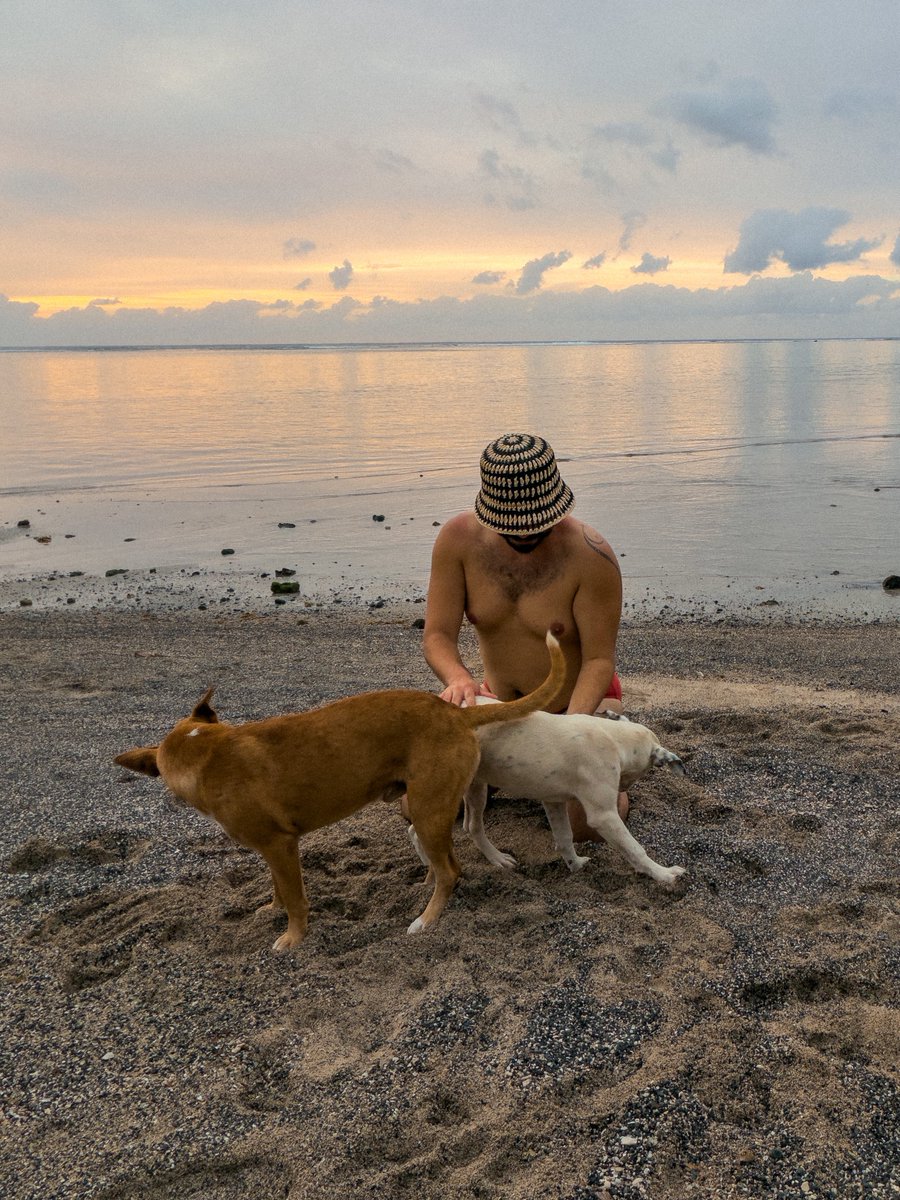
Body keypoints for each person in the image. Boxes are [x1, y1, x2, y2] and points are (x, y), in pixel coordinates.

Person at [423, 432, 627, 839]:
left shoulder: (591, 555)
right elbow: (437, 636)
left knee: (585, 825)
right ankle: (517, 776)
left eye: (538, 524)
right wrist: (459, 679)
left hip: (575, 703)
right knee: (421, 806)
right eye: (512, 528)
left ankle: (611, 775)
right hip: (499, 705)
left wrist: (572, 729)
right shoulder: (457, 541)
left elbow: (599, 660)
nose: (526, 535)